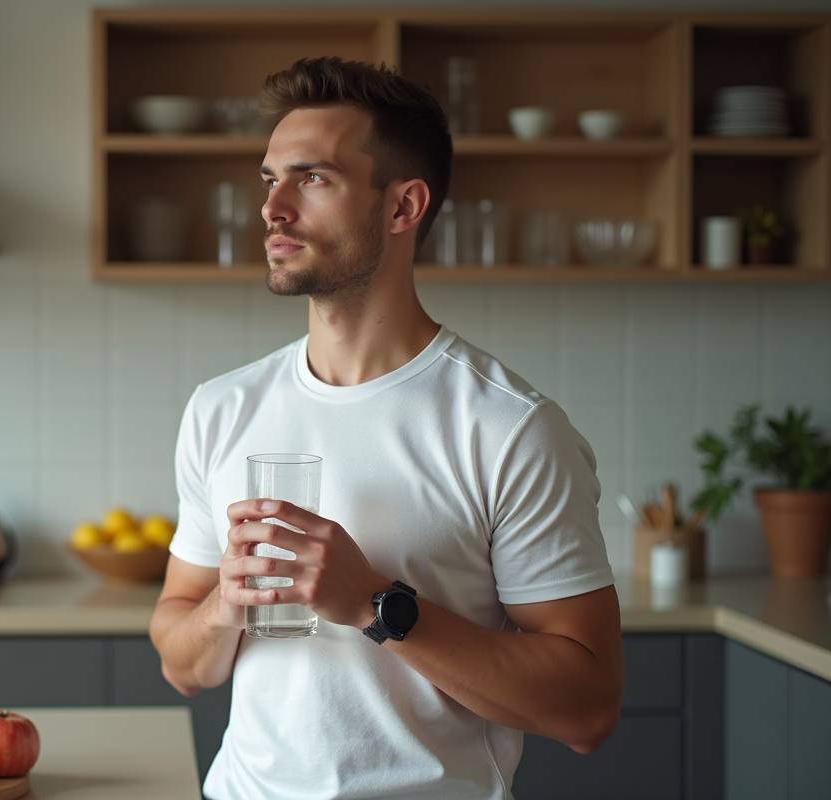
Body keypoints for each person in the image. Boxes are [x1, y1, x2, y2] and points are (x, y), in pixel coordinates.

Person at [148, 56, 623, 800]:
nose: (273, 210)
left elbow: (587, 711)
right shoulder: (221, 407)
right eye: (270, 180)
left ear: (403, 207)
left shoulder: (509, 428)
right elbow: (181, 661)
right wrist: (227, 604)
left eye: (312, 179)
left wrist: (376, 606)